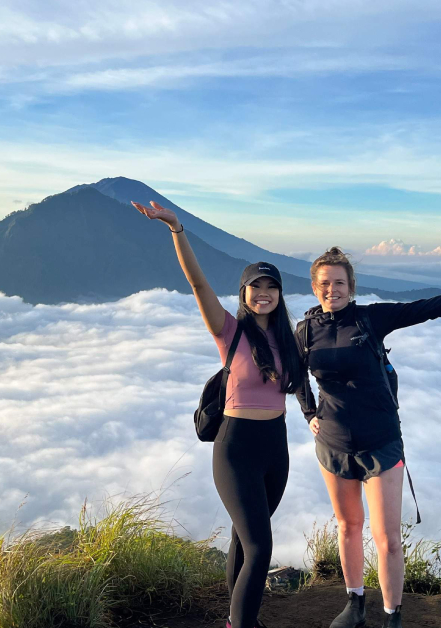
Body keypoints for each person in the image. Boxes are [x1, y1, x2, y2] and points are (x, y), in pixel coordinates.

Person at [296, 247, 441, 628]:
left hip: (381, 443)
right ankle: (354, 604)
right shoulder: (305, 331)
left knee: (386, 537)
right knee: (348, 526)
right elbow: (294, 374)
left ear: (351, 287)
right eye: (324, 283)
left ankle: (392, 616)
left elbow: (429, 307)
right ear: (314, 288)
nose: (331, 289)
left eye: (339, 282)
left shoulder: (371, 318)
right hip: (333, 445)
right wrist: (309, 414)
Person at [131, 200, 302, 628]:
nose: (263, 293)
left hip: (275, 450)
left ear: (279, 295)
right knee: (261, 548)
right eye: (255, 287)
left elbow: (311, 381)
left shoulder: (288, 339)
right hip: (236, 450)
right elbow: (197, 283)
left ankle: (238, 615)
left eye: (271, 287)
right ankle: (239, 624)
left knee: (244, 544)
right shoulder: (230, 331)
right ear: (244, 294)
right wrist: (177, 229)